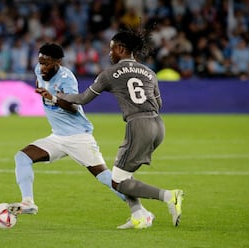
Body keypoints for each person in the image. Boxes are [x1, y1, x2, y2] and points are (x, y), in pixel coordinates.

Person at [38, 30, 184, 228]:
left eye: (112, 48)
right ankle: (138, 217)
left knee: (118, 182)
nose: (109, 53)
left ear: (121, 49)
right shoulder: (149, 72)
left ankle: (169, 196)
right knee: (124, 174)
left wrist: (58, 97)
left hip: (138, 126)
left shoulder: (110, 73)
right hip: (158, 125)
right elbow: (159, 103)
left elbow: (82, 99)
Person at [7, 43, 155, 229]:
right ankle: (28, 202)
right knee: (22, 157)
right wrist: (42, 89)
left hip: (78, 137)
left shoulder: (67, 78)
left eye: (47, 63)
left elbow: (74, 106)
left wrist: (52, 97)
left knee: (106, 178)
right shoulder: (39, 71)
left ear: (57, 62)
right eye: (40, 62)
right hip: (57, 137)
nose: (42, 67)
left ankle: (141, 212)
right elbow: (40, 82)